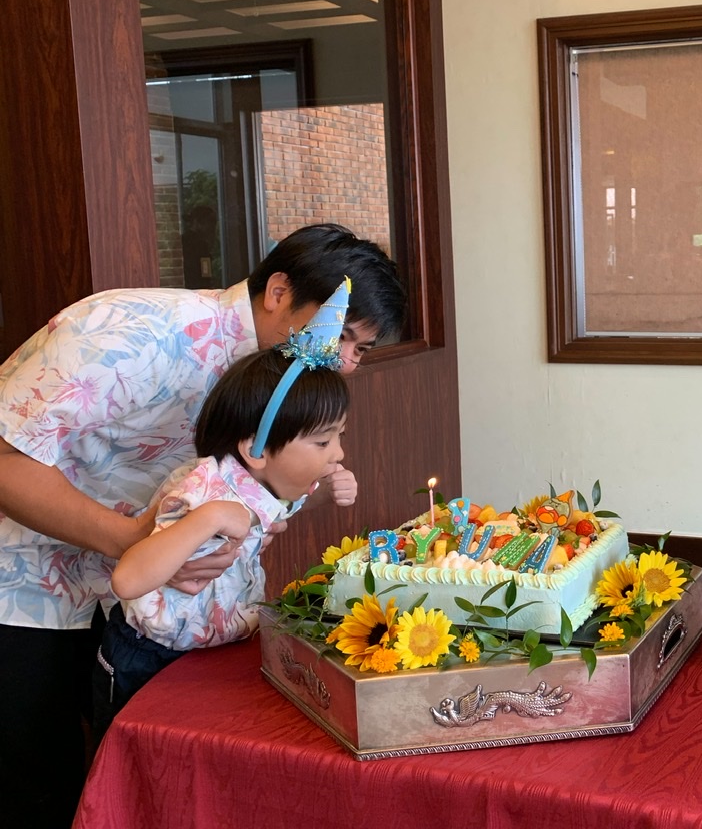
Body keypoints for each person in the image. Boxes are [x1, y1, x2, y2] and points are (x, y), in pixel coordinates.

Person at [0, 223, 404, 829]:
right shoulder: (130, 334)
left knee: (129, 784)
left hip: (146, 607)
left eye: (360, 350)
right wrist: (141, 541)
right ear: (277, 291)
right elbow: (6, 461)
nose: (344, 362)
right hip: (25, 583)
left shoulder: (279, 377)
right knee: (38, 784)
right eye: (341, 335)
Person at [93, 282, 351, 735]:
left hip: (218, 648)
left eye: (338, 437)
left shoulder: (263, 482)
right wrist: (208, 518)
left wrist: (326, 491)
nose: (338, 454)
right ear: (255, 448)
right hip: (149, 659)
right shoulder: (200, 492)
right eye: (323, 441)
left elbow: (282, 510)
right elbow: (128, 578)